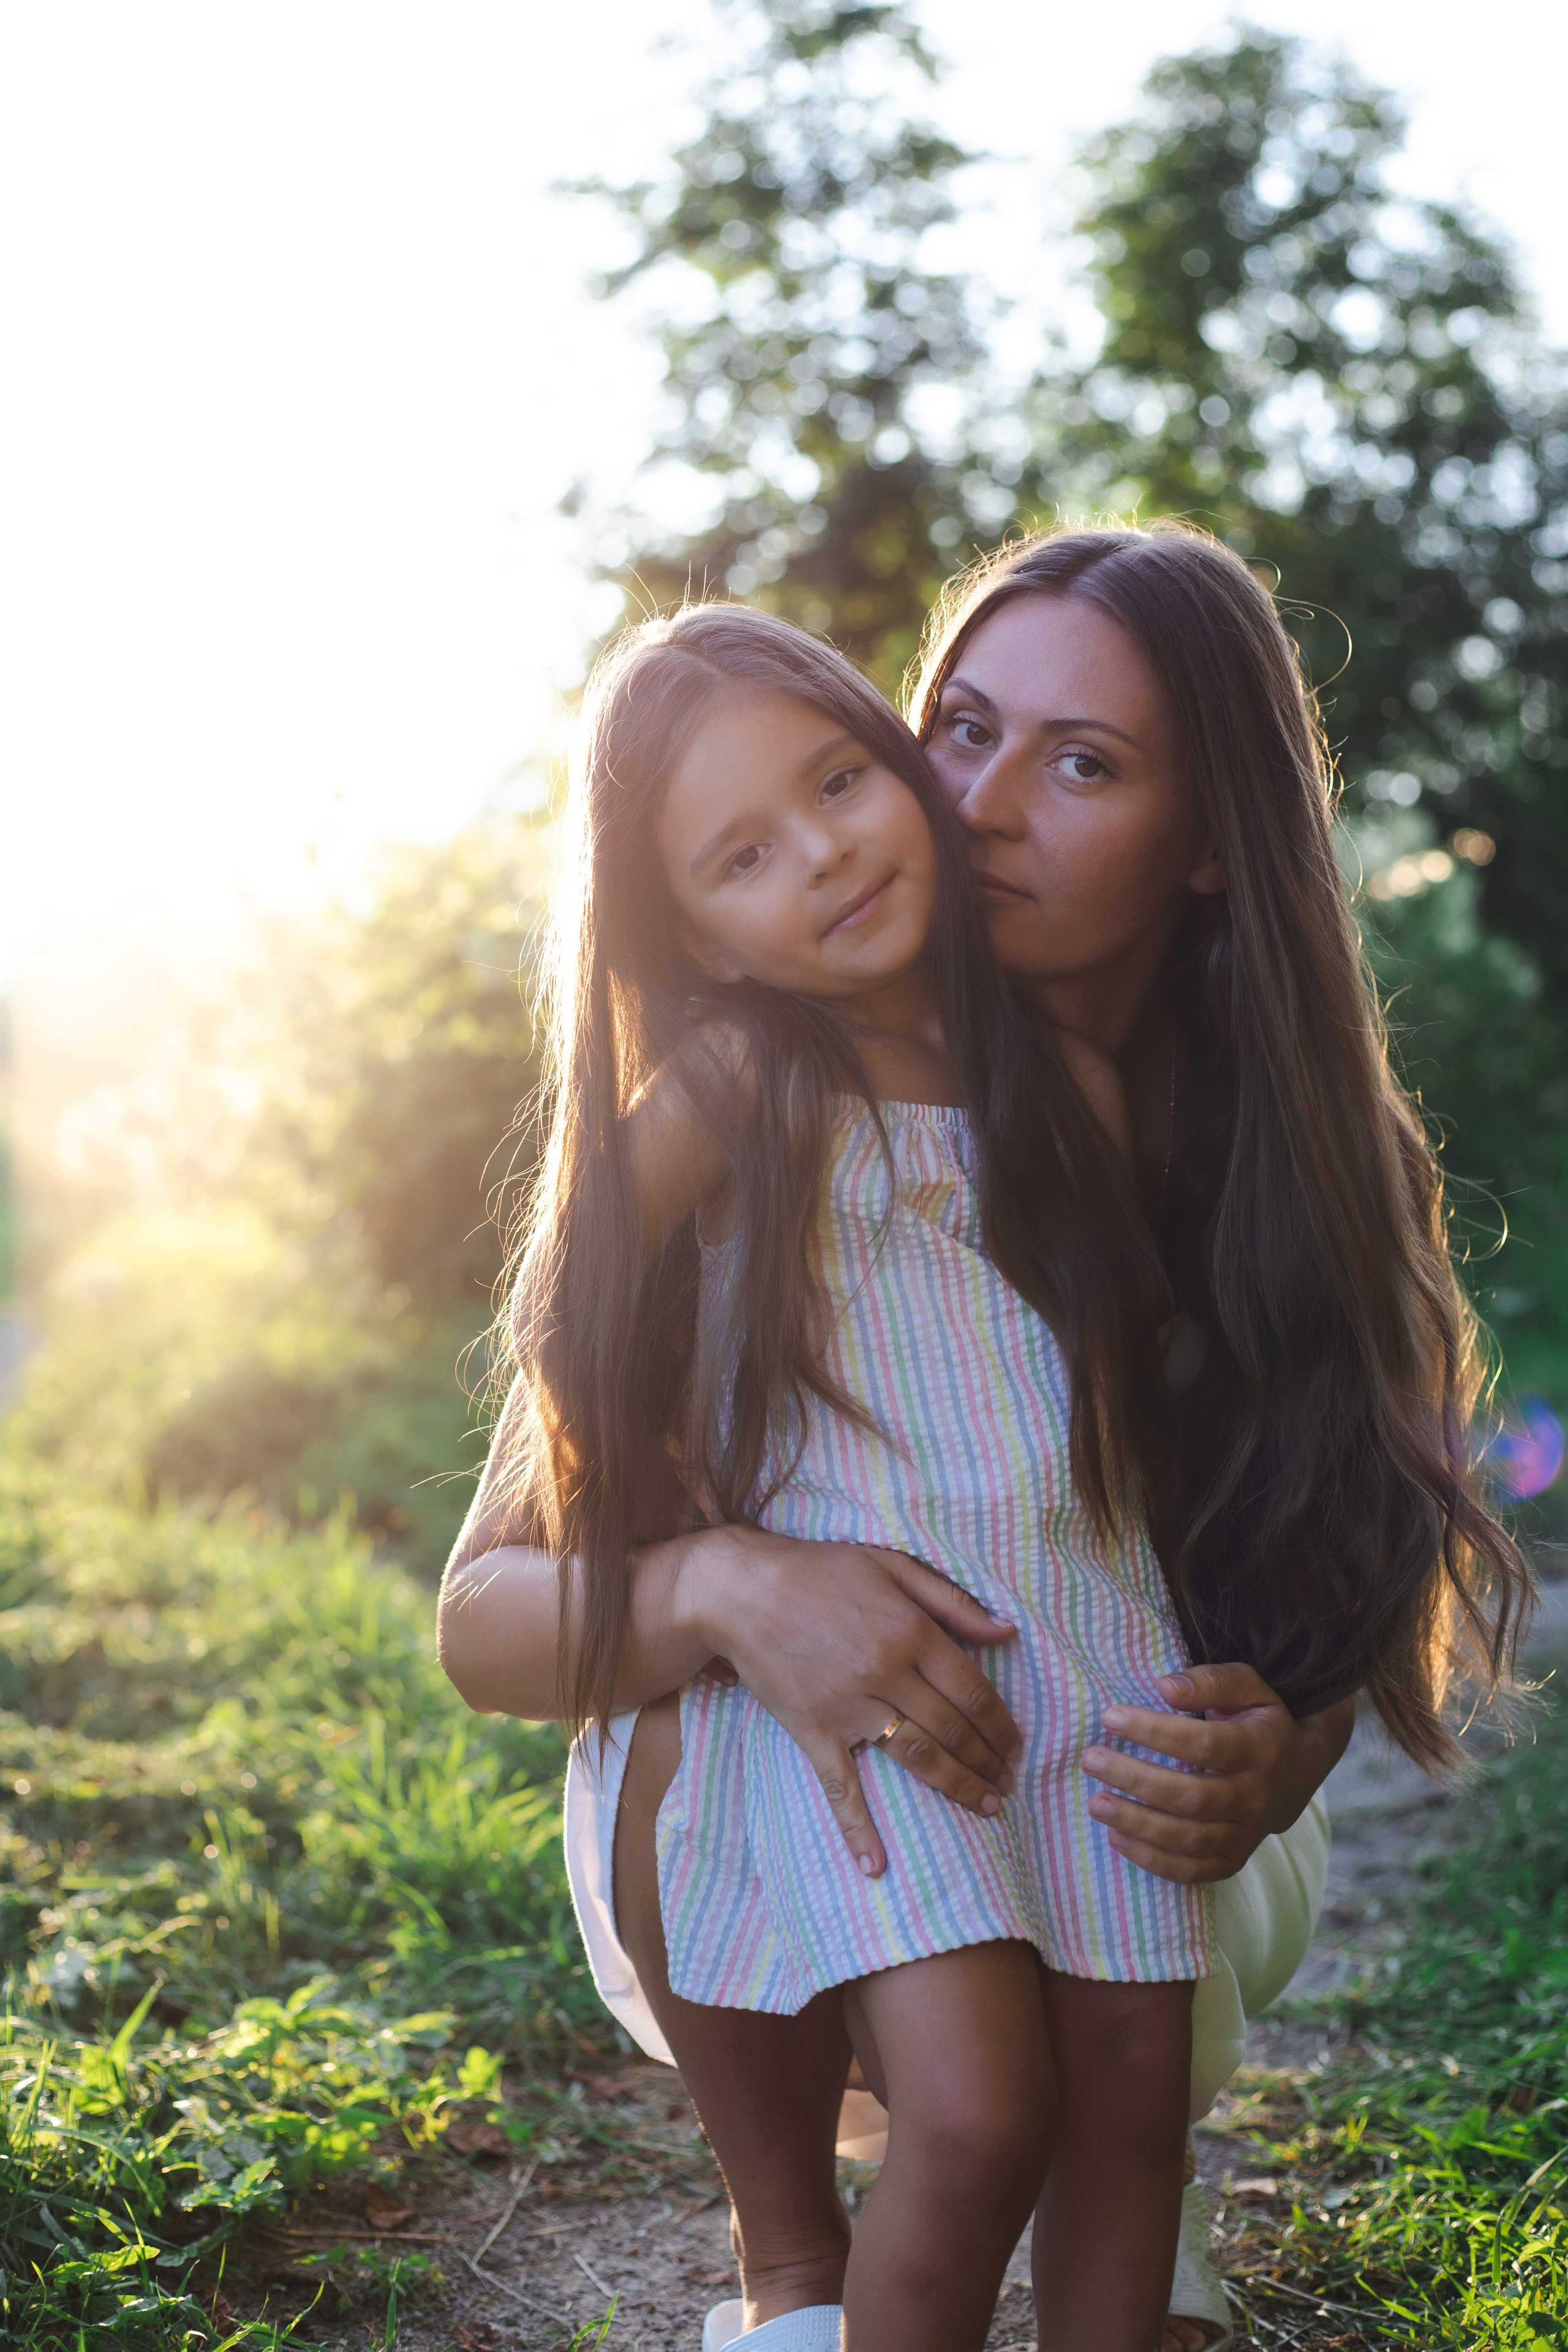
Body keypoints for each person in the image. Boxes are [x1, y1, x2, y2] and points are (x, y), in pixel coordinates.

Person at [442, 527, 1529, 2350]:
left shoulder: (1236, 1145)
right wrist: (722, 1576)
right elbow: (493, 1601)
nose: (983, 805)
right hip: (806, 1786)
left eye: (1082, 762)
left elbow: (1342, 1580)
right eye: (962, 727)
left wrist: (1285, 1744)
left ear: (1207, 846)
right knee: (938, 2035)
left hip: (1097, 1749)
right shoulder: (761, 1085)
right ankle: (793, 2265)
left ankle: (1115, 2224)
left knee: (1110, 2067)